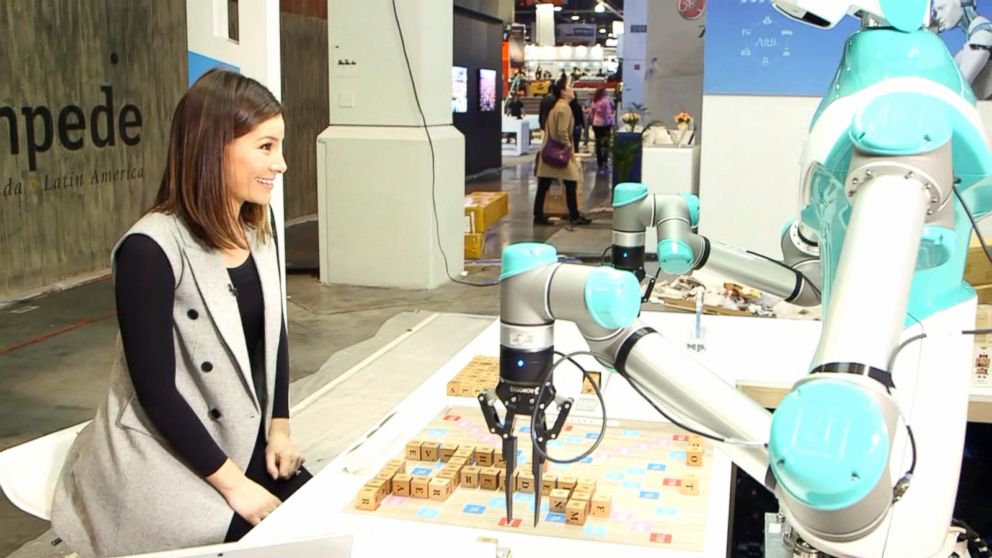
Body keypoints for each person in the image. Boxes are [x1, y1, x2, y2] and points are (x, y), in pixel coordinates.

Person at [51, 69, 310, 556]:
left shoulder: (258, 222)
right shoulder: (149, 249)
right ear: (215, 148)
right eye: (266, 147)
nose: (282, 164)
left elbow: (273, 338)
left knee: (325, 521)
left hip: (242, 438)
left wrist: (279, 426)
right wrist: (236, 487)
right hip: (164, 455)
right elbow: (156, 393)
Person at [534, 77, 592, 226]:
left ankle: (539, 215)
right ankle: (574, 215)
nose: (573, 90)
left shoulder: (556, 106)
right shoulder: (564, 108)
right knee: (572, 180)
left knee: (544, 184)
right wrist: (569, 148)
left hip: (549, 153)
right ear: (563, 92)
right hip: (559, 153)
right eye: (570, 88)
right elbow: (562, 131)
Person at [932, 0, 992, 99]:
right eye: (935, 12)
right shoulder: (976, 38)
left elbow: (958, 88)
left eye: (941, 8)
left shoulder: (982, 36)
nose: (937, 16)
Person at [589, 87, 616, 171]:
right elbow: (608, 114)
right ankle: (604, 161)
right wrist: (613, 123)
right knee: (606, 144)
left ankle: (599, 162)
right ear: (603, 93)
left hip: (596, 124)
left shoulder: (594, 101)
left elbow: (592, 113)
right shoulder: (605, 101)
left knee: (598, 144)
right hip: (605, 125)